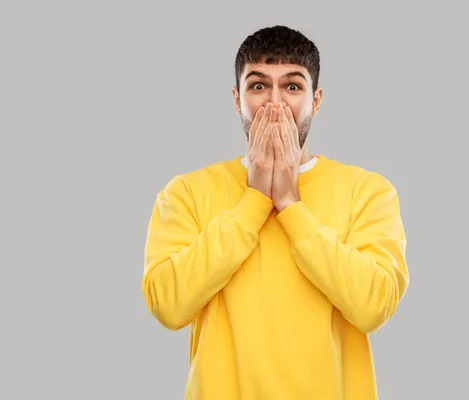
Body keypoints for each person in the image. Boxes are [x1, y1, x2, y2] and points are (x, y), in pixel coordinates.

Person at [142, 25, 410, 400]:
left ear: (316, 100)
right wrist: (254, 200)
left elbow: (373, 307)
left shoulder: (369, 192)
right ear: (237, 99)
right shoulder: (186, 192)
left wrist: (291, 205)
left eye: (293, 86)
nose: (274, 103)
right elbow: (168, 306)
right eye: (258, 86)